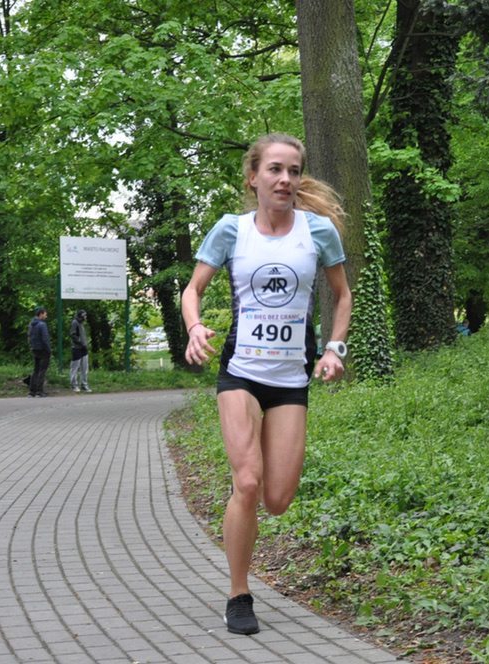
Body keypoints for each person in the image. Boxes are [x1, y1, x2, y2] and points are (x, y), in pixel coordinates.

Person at [181, 133, 352, 635]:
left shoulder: (317, 231)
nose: (285, 179)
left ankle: (247, 508)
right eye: (275, 169)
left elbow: (342, 295)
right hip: (241, 372)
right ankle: (239, 594)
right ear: (253, 177)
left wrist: (334, 349)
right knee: (249, 482)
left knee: (277, 499)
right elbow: (193, 289)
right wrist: (194, 327)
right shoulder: (231, 231)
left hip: (291, 379)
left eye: (293, 171)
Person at [28, 306, 51, 397]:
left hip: (35, 349)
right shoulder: (42, 325)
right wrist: (48, 349)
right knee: (42, 370)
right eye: (45, 314)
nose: (46, 316)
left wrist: (32, 346)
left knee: (36, 370)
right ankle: (39, 391)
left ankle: (32, 391)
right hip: (43, 350)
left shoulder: (31, 324)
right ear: (41, 314)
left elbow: (29, 336)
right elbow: (45, 338)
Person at [69, 309, 92, 392]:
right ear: (81, 316)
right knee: (75, 367)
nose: (85, 317)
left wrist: (85, 344)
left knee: (84, 367)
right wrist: (80, 343)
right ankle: (74, 385)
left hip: (84, 348)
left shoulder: (81, 323)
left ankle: (84, 384)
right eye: (84, 315)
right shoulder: (75, 322)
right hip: (77, 348)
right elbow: (73, 335)